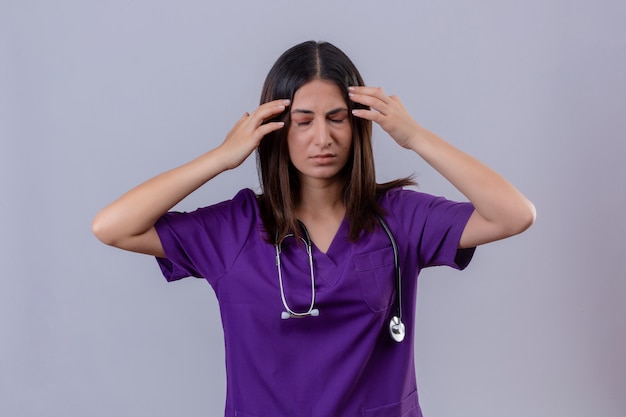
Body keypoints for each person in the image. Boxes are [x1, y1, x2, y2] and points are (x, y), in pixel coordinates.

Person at [92, 40, 535, 417]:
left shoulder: (398, 217)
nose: (322, 138)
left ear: (358, 123)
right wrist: (222, 158)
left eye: (336, 118)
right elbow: (112, 227)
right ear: (277, 130)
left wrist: (415, 136)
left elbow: (513, 214)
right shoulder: (236, 229)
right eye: (303, 121)